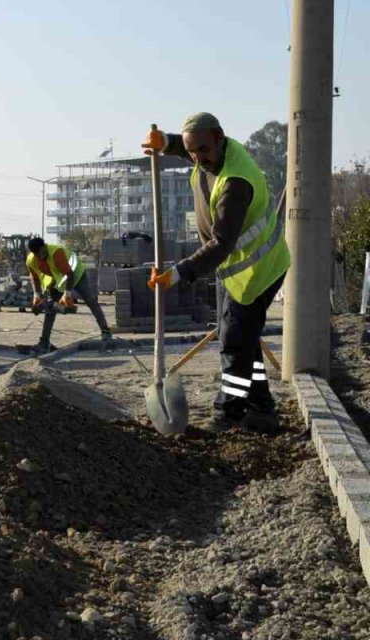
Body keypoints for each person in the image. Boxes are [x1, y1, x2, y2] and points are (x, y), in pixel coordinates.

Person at [145, 112, 290, 432]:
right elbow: (191, 148)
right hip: (236, 270)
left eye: (203, 151)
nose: (198, 158)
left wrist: (179, 273)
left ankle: (229, 413)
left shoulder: (235, 183)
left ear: (220, 139)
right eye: (192, 151)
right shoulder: (214, 152)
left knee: (234, 343)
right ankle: (262, 409)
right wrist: (167, 143)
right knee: (245, 342)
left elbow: (222, 243)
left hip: (257, 271)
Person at [24, 237, 113, 354]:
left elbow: (69, 274)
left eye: (43, 252)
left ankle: (105, 332)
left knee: (91, 301)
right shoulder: (32, 260)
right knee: (49, 309)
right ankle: (44, 342)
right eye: (38, 254)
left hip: (75, 274)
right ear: (34, 254)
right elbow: (35, 279)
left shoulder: (57, 253)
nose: (42, 255)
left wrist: (67, 294)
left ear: (44, 246)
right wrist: (37, 295)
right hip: (59, 279)